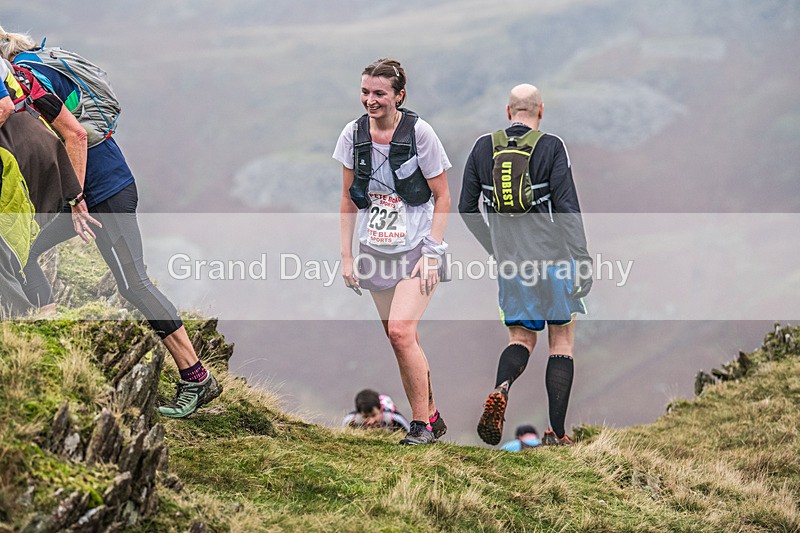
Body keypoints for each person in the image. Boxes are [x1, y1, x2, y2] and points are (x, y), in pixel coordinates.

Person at [0, 28, 221, 418]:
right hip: (96, 194)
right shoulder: (33, 70)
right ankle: (46, 332)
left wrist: (76, 199)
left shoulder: (28, 79)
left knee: (133, 283)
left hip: (105, 195)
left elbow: (77, 135)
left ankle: (197, 377)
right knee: (23, 254)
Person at [459, 84, 592, 447]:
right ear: (540, 111)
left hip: (511, 265)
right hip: (555, 260)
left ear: (508, 112)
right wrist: (582, 258)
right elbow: (567, 208)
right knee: (561, 342)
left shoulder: (483, 147)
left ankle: (503, 386)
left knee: (520, 338)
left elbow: (467, 207)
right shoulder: (551, 146)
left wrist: (494, 248)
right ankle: (558, 433)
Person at [334, 58, 450, 445]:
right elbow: (349, 199)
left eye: (380, 93)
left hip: (418, 248)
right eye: (365, 92)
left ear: (399, 96)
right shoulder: (352, 135)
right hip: (376, 248)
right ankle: (431, 414)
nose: (370, 100)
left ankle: (420, 426)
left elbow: (443, 196)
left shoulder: (421, 134)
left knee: (401, 331)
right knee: (398, 338)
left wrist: (433, 251)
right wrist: (347, 256)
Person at [0, 58, 92, 316]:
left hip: (16, 160)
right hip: (43, 158)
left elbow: (4, 106)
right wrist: (75, 195)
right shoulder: (26, 77)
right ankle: (41, 318)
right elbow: (77, 133)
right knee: (20, 248)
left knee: (12, 249)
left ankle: (25, 323)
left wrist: (77, 198)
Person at [342, 389, 410, 432]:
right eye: (366, 417)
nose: (371, 421)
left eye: (374, 415)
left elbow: (409, 433)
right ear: (359, 414)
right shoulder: (349, 421)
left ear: (381, 410)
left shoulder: (395, 419)